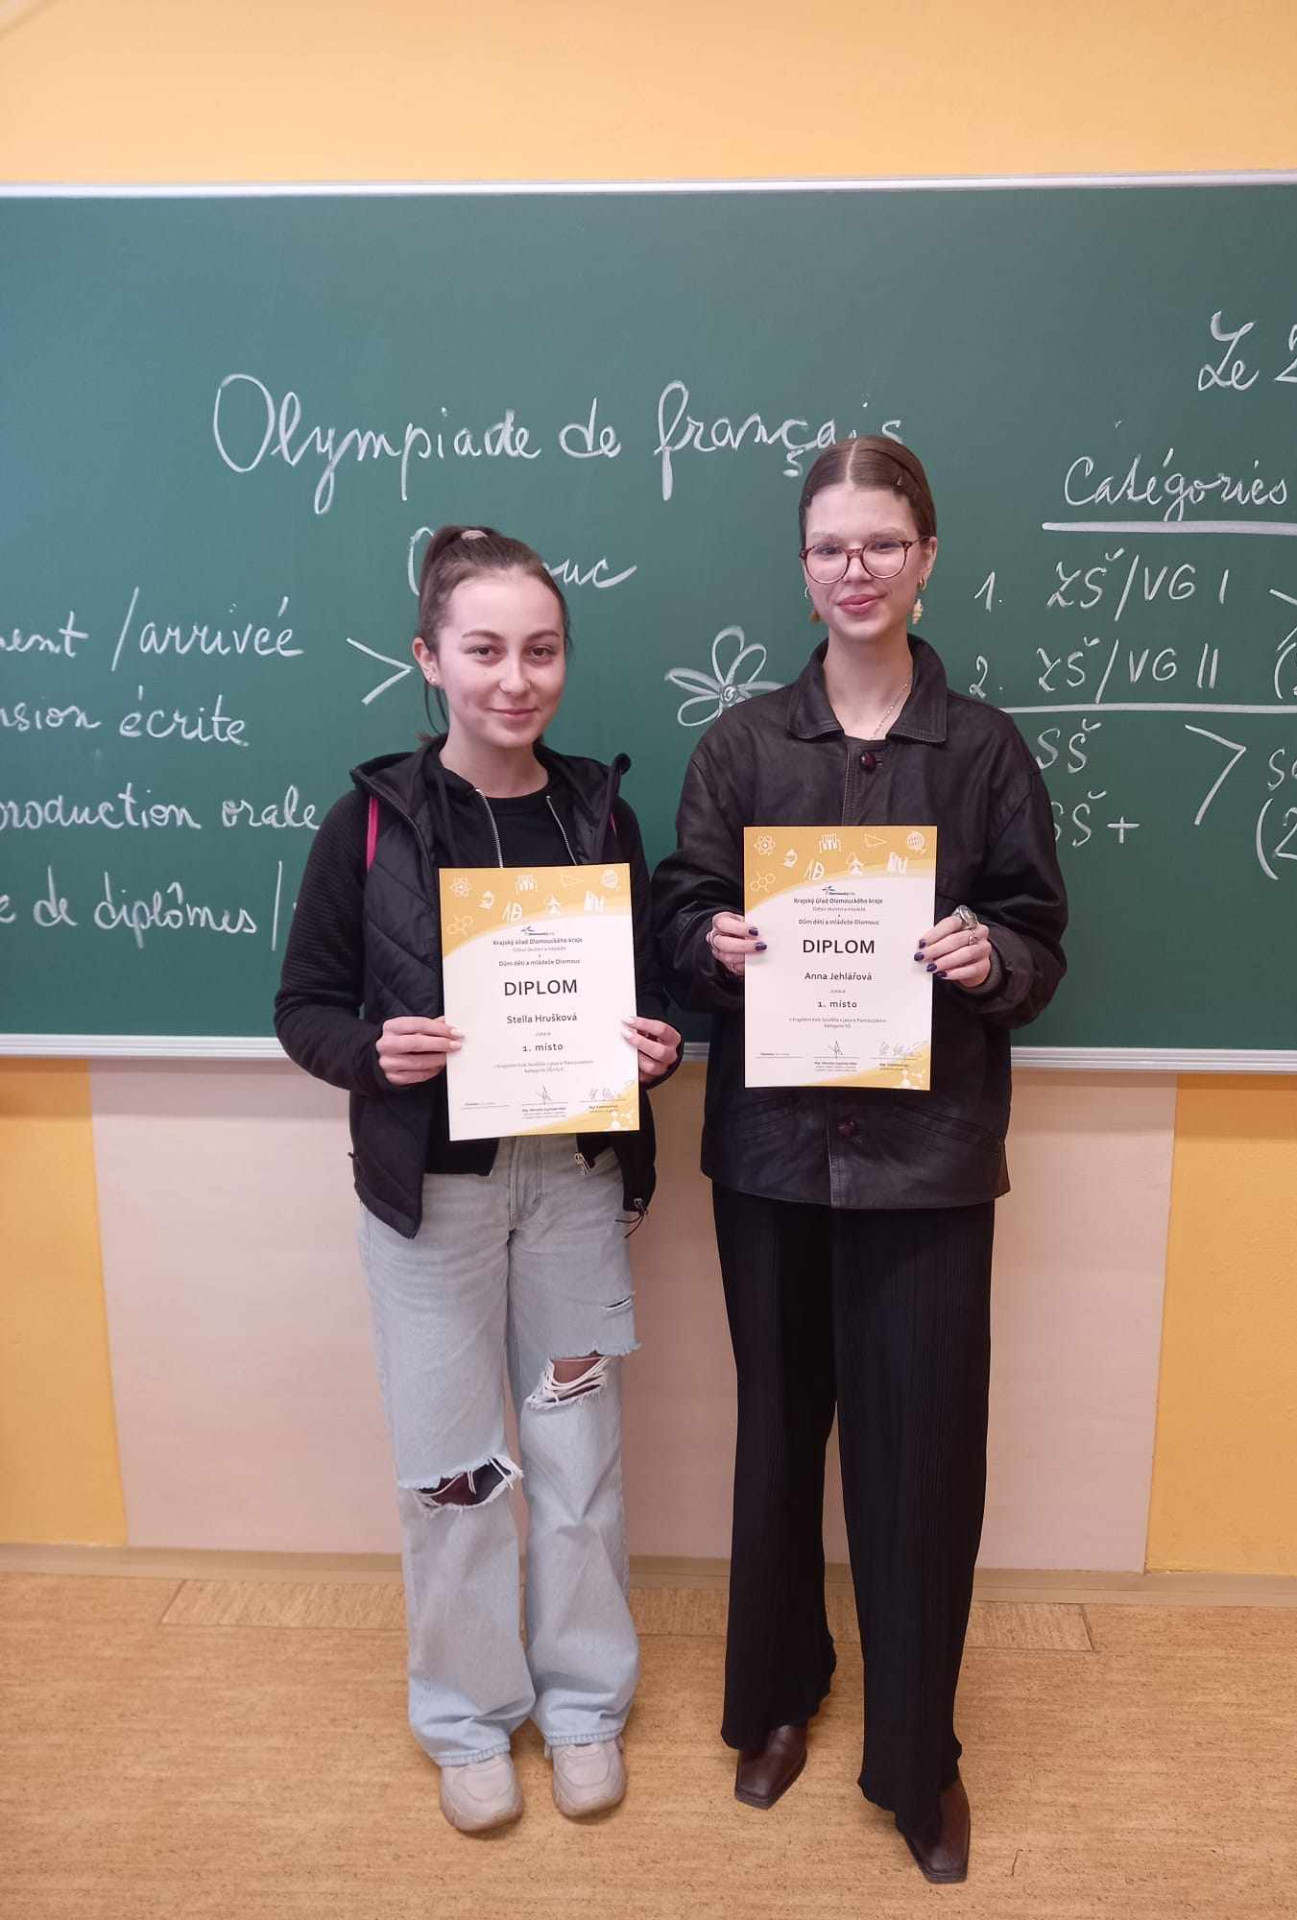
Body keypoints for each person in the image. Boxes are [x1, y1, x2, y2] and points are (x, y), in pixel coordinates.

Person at [651, 438, 1067, 1884]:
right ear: (803, 564)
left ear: (926, 558)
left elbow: (1042, 938)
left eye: (883, 542)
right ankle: (779, 1696)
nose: (857, 568)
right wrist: (709, 941)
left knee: (922, 1464)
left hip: (930, 1162)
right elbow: (679, 915)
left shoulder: (986, 749)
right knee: (779, 1443)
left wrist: (991, 955)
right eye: (832, 545)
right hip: (773, 1155)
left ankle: (916, 1757)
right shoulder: (742, 746)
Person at [275, 525, 681, 1835]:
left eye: (542, 650)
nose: (517, 678)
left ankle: (584, 1707)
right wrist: (372, 1054)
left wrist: (659, 1045)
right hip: (430, 1206)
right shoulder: (368, 823)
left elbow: (647, 995)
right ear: (430, 659)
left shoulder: (600, 815)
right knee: (453, 1473)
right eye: (486, 650)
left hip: (571, 1190)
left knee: (577, 1459)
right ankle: (465, 1719)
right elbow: (304, 1008)